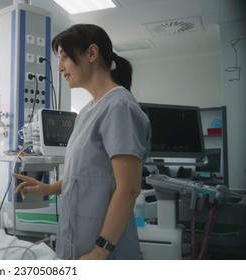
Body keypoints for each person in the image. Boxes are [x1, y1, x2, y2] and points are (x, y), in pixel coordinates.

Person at [13, 24, 151, 260]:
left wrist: (99, 252)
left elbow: (128, 188)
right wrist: (49, 188)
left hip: (104, 250)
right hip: (78, 241)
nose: (60, 67)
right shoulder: (87, 112)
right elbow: (87, 175)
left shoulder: (119, 107)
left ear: (91, 53)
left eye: (65, 57)